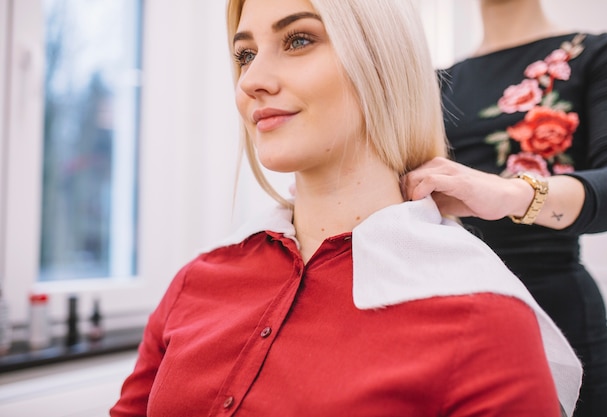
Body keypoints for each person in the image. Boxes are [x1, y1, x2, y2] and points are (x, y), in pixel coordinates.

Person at [110, 0, 582, 416]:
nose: (251, 80)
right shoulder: (196, 281)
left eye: (297, 39)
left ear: (381, 63)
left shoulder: (482, 317)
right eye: (244, 54)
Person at [402, 1, 607, 416]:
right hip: (445, 310)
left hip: (553, 305)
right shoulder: (435, 84)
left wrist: (512, 195)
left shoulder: (596, 54)